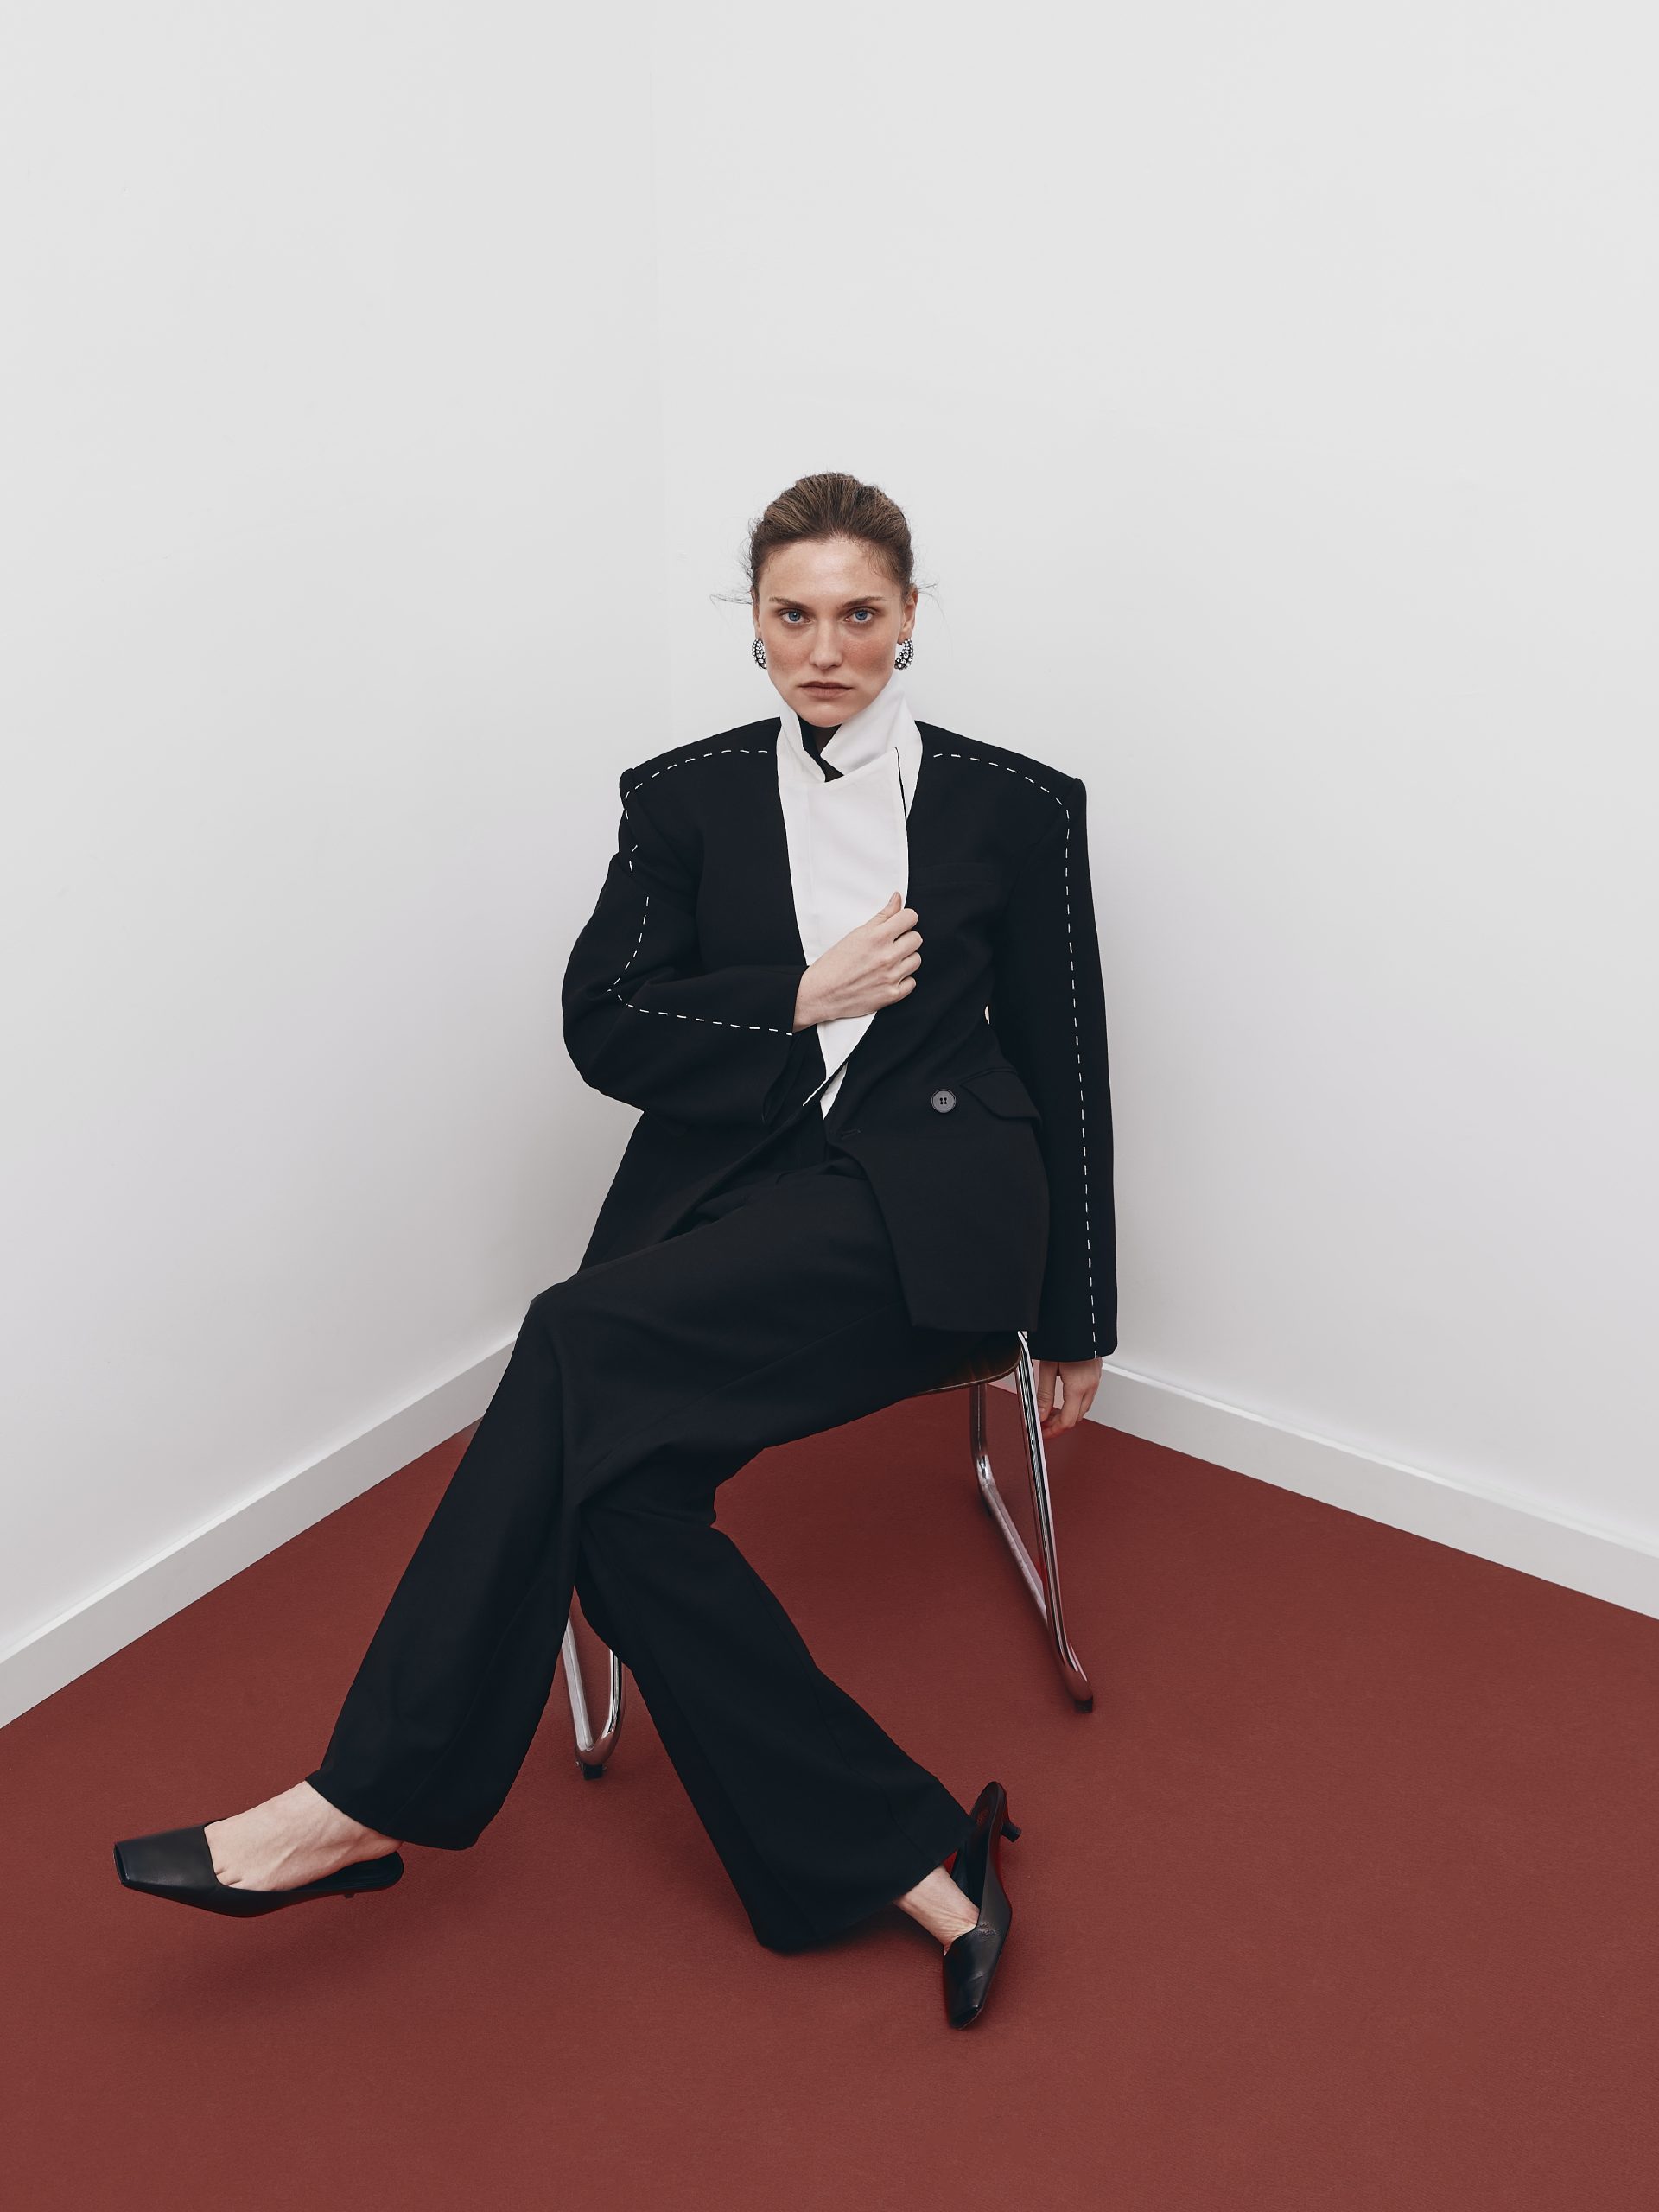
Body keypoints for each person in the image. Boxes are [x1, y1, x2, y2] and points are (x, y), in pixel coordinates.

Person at [113, 471, 1117, 2030]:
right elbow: (605, 1022)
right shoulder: (684, 796)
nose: (826, 649)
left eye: (860, 614)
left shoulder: (1017, 803)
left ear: (912, 618)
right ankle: (920, 1860)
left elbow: (1069, 1054)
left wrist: (1079, 1313)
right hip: (738, 1198)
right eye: (793, 615)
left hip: (933, 1212)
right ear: (754, 625)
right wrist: (797, 999)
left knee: (570, 1338)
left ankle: (362, 1799)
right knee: (620, 1498)